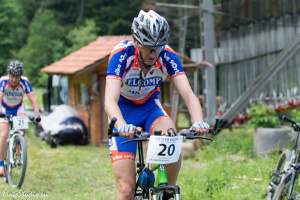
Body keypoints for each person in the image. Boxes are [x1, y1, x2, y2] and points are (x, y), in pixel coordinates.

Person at [105, 10, 209, 200]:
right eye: (149, 48)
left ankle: (168, 190)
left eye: (159, 47)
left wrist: (198, 122)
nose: (154, 53)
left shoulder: (167, 56)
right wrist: (121, 125)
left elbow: (188, 94)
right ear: (137, 42)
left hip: (150, 108)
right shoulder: (121, 55)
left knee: (170, 134)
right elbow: (109, 100)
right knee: (126, 190)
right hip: (123, 112)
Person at [0, 60, 40, 176]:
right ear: (9, 74)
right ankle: (1, 164)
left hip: (18, 108)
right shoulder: (3, 81)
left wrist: (37, 113)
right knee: (3, 134)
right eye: (12, 76)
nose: (14, 79)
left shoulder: (24, 82)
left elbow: (33, 98)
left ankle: (18, 146)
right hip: (4, 109)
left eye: (17, 77)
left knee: (22, 129)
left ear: (20, 76)